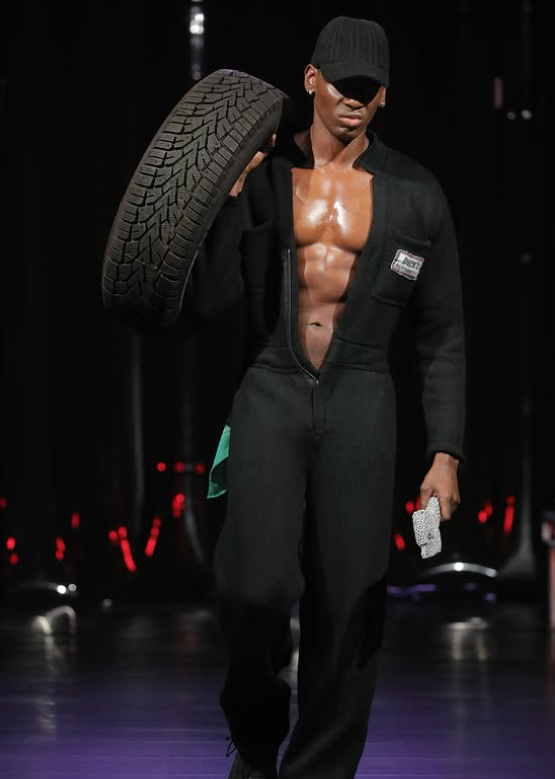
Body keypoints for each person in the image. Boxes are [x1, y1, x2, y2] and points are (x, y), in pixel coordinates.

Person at [192, 15, 465, 779]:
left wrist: (444, 452)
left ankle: (318, 770)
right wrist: (226, 201)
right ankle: (255, 732)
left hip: (361, 399)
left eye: (367, 89)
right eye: (341, 84)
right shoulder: (262, 175)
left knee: (349, 608)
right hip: (269, 389)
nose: (352, 99)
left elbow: (442, 332)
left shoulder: (414, 193)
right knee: (254, 587)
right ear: (310, 79)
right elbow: (206, 302)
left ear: (383, 96)